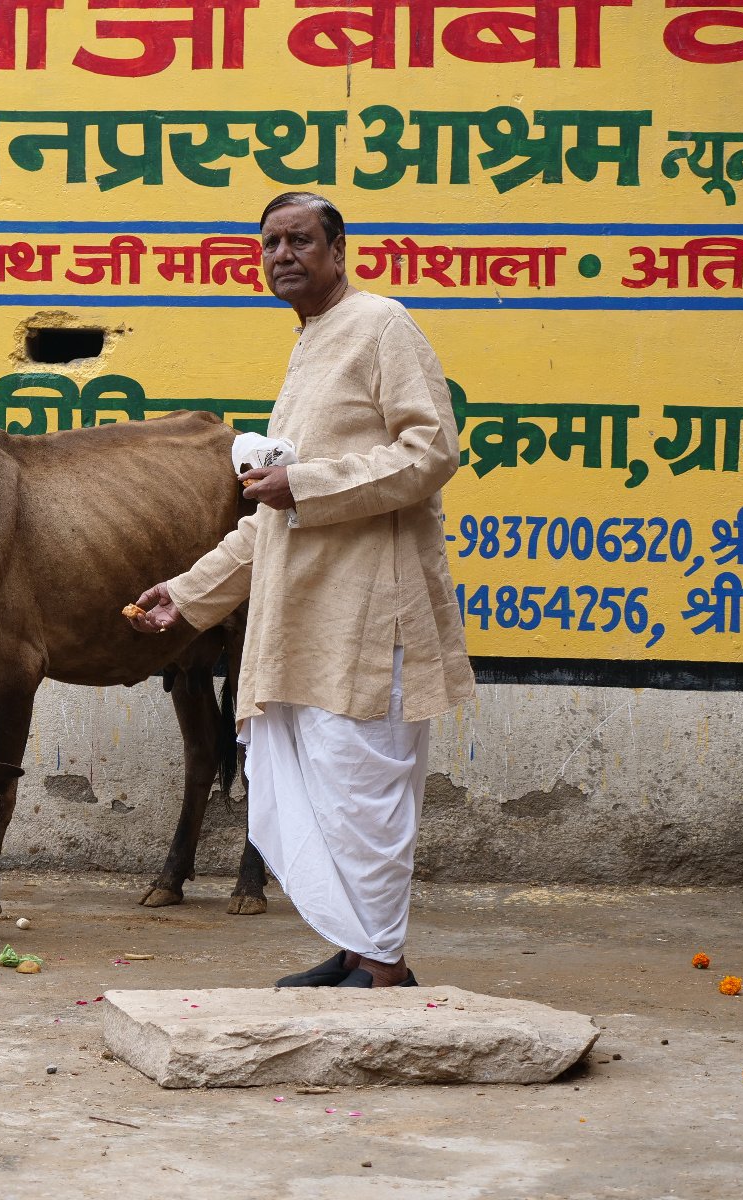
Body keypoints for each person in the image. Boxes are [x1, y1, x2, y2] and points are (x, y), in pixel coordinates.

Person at [130, 191, 475, 989]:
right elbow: (270, 518)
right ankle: (356, 947)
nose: (282, 255)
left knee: (365, 792)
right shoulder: (310, 345)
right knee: (327, 791)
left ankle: (383, 963)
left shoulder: (382, 324)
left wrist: (308, 483)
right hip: (304, 616)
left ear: (338, 246)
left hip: (369, 612)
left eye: (299, 240)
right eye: (270, 243)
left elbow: (432, 453)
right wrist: (186, 595)